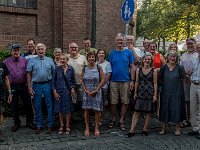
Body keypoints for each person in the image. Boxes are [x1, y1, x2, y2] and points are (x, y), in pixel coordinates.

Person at [3, 43, 35, 132]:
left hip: (23, 86)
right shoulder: (5, 62)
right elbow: (4, 76)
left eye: (18, 50)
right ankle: (16, 123)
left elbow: (29, 74)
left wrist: (29, 86)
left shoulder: (24, 60)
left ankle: (30, 122)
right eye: (14, 50)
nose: (16, 52)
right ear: (11, 52)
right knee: (14, 106)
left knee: (28, 104)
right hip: (12, 86)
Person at [108, 33, 135, 131]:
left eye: (121, 40)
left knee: (125, 101)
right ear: (115, 41)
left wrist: (132, 80)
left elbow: (132, 67)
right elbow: (109, 67)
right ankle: (113, 118)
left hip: (125, 81)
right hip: (113, 81)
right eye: (118, 40)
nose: (120, 41)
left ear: (124, 41)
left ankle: (122, 120)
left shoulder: (128, 53)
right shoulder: (111, 53)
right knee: (113, 102)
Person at [27, 43, 55, 134]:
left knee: (49, 105)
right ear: (36, 50)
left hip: (48, 84)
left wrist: (54, 87)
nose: (40, 51)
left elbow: (54, 74)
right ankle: (39, 125)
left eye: (42, 49)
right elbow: (29, 74)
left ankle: (50, 125)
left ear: (45, 50)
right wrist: (30, 87)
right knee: (37, 105)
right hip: (36, 85)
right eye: (38, 49)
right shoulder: (32, 61)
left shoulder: (50, 60)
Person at [127, 54, 157, 137]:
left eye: (149, 59)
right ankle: (132, 130)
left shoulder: (153, 71)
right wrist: (135, 93)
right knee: (136, 112)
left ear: (151, 61)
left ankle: (145, 129)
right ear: (143, 60)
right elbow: (136, 82)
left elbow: (155, 83)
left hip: (149, 94)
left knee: (148, 113)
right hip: (140, 93)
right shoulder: (138, 70)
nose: (147, 61)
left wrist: (155, 95)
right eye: (145, 59)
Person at [159, 50, 186, 136]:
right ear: (167, 58)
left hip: (177, 91)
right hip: (166, 91)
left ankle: (178, 128)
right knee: (165, 109)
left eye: (174, 56)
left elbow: (183, 79)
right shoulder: (163, 67)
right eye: (170, 56)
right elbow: (160, 79)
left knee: (177, 109)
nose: (172, 58)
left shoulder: (180, 67)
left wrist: (181, 90)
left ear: (177, 58)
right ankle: (163, 128)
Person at [81, 51, 104, 137]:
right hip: (87, 92)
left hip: (96, 92)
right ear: (87, 58)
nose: (91, 58)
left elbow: (102, 80)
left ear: (95, 58)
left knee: (96, 111)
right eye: (89, 57)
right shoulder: (84, 68)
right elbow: (81, 80)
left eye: (93, 57)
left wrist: (97, 89)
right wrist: (85, 90)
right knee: (86, 110)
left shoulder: (99, 67)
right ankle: (87, 127)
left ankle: (96, 128)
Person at [52, 54, 76, 134]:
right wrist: (54, 92)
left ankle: (68, 125)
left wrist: (72, 88)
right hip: (59, 92)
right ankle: (62, 125)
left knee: (68, 109)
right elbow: (53, 81)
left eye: (64, 59)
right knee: (60, 109)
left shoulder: (71, 69)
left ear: (67, 60)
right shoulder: (56, 69)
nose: (62, 61)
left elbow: (73, 81)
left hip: (68, 92)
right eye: (61, 59)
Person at [180, 38, 198, 127]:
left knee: (195, 101)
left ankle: (194, 120)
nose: (190, 45)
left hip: (195, 80)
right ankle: (187, 119)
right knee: (186, 100)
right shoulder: (183, 55)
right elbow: (180, 67)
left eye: (191, 43)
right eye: (188, 44)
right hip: (185, 80)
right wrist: (184, 75)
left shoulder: (198, 55)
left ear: (195, 44)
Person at [67, 42, 87, 107]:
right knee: (70, 100)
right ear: (69, 49)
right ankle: (71, 115)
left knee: (81, 100)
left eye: (75, 47)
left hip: (80, 82)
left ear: (78, 48)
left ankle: (83, 115)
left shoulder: (83, 57)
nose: (74, 49)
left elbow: (86, 69)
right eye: (72, 47)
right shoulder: (66, 57)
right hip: (69, 83)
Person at [187, 42, 200, 139]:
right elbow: (192, 71)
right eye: (198, 47)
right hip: (193, 84)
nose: (199, 49)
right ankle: (195, 129)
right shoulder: (195, 59)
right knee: (193, 108)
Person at [96, 49, 112, 125]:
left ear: (105, 55)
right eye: (100, 53)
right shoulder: (95, 63)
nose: (101, 54)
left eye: (103, 53)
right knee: (97, 103)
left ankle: (101, 119)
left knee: (104, 103)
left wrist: (100, 85)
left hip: (104, 87)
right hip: (95, 87)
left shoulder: (107, 64)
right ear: (97, 55)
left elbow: (108, 76)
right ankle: (97, 119)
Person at [0, 62, 12, 142]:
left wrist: (10, 93)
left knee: (0, 112)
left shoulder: (2, 65)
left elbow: (6, 79)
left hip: (1, 92)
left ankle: (0, 132)